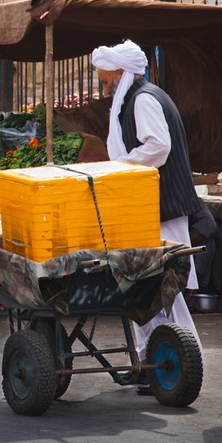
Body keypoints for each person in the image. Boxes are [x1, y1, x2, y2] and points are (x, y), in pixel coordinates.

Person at [90, 40, 205, 390]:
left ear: (123, 74)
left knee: (165, 294)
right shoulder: (137, 97)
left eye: (108, 82)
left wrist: (117, 166)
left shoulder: (143, 100)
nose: (106, 90)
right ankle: (150, 362)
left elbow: (158, 146)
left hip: (162, 210)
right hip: (147, 211)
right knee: (142, 292)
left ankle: (188, 366)